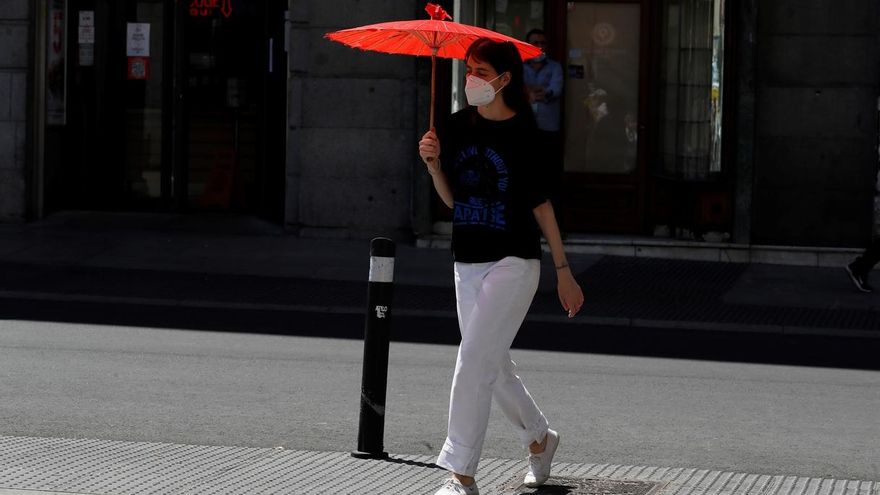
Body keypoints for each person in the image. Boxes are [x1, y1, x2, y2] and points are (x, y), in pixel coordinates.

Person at [418, 38, 584, 495]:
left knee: (472, 360)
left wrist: (563, 271)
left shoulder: (526, 136)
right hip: (466, 262)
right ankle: (539, 438)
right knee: (492, 365)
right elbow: (455, 202)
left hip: (514, 261)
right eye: (467, 68)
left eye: (480, 71)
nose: (471, 78)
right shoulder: (452, 128)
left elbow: (542, 207)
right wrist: (434, 166)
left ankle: (461, 476)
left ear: (504, 80)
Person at [523, 28, 564, 207]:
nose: (539, 46)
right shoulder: (519, 66)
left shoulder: (555, 67)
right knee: (527, 173)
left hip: (549, 129)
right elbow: (516, 89)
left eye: (542, 43)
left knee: (549, 176)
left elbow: (555, 90)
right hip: (525, 128)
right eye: (535, 43)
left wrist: (533, 91)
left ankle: (553, 222)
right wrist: (529, 91)